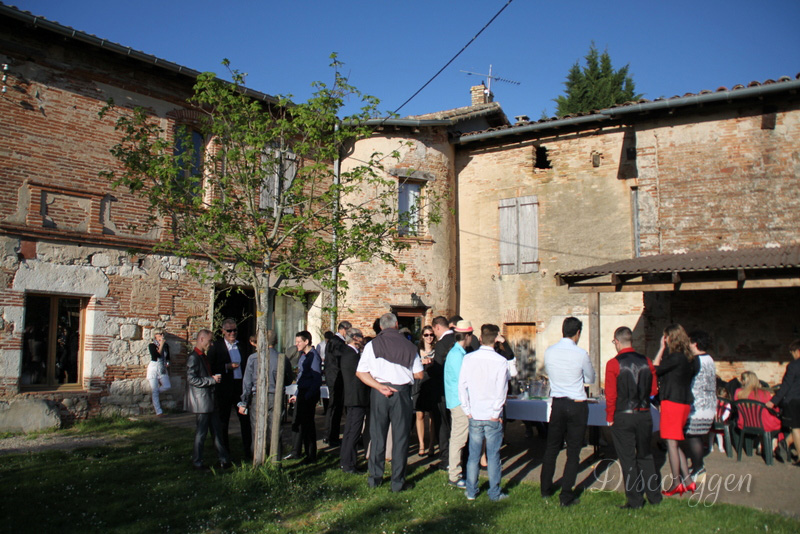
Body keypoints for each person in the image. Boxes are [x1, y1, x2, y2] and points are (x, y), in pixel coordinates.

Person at [356, 313, 424, 492]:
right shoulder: (409, 346)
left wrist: (379, 386)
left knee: (377, 435)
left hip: (379, 392)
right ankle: (397, 482)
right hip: (401, 392)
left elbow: (361, 373)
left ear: (380, 327)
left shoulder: (372, 345)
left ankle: (374, 478)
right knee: (400, 438)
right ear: (396, 325)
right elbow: (419, 374)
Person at [540, 317, 596, 507]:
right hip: (576, 402)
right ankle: (566, 494)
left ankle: (545, 488)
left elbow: (549, 372)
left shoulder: (550, 352)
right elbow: (590, 377)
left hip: (558, 401)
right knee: (573, 451)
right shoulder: (580, 353)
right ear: (578, 333)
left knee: (552, 447)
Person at [604, 326, 662, 509]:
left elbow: (611, 395)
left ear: (617, 342)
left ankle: (635, 500)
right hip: (644, 413)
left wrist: (609, 417)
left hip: (623, 414)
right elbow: (653, 391)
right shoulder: (647, 362)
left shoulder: (613, 364)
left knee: (628, 458)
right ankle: (654, 496)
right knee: (646, 456)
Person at [459, 323, 511, 501]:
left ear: (480, 338)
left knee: (473, 455)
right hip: (491, 414)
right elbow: (501, 390)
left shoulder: (469, 358)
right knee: (493, 455)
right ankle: (494, 492)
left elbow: (462, 386)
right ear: (496, 340)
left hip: (475, 412)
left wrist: (467, 409)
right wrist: (496, 412)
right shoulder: (501, 361)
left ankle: (471, 491)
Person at [654, 324, 697, 496]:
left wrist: (660, 349)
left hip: (673, 402)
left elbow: (654, 368)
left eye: (666, 337)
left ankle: (676, 482)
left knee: (670, 442)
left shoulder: (675, 358)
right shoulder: (688, 358)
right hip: (684, 403)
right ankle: (687, 481)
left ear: (671, 338)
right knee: (675, 441)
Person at [238, 331, 293, 459]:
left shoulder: (253, 358)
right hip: (276, 396)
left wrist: (244, 401)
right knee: (276, 430)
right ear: (276, 342)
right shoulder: (282, 358)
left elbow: (247, 382)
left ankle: (257, 459)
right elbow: (289, 379)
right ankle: (276, 458)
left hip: (258, 396)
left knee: (257, 430)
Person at [186, 329, 231, 470]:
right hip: (202, 402)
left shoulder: (203, 357)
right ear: (201, 339)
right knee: (201, 433)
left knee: (217, 431)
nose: (211, 344)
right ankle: (197, 462)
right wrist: (211, 380)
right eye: (209, 341)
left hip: (210, 401)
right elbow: (191, 378)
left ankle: (224, 459)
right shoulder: (194, 357)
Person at [208, 318, 252, 459]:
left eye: (234, 330)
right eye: (229, 331)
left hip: (240, 387)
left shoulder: (242, 346)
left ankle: (248, 450)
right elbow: (211, 366)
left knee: (245, 419)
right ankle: (224, 453)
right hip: (224, 388)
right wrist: (226, 367)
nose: (232, 333)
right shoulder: (217, 346)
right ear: (223, 332)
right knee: (223, 421)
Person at [683, 330, 717, 483]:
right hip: (709, 404)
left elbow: (686, 378)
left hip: (697, 405)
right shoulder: (710, 359)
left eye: (690, 342)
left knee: (692, 435)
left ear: (695, 344)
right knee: (697, 435)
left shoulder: (695, 361)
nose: (689, 345)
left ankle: (699, 468)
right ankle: (696, 465)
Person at [443, 320, 474, 489]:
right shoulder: (458, 355)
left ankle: (455, 471)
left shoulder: (457, 353)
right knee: (458, 438)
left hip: (457, 400)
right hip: (459, 402)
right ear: (467, 336)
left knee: (458, 437)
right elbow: (463, 382)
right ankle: (454, 474)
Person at [284, 331, 322, 463]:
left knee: (308, 424)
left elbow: (316, 379)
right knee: (298, 422)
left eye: (299, 342)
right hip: (302, 392)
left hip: (308, 394)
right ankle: (296, 451)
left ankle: (311, 454)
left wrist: (307, 396)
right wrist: (296, 395)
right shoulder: (303, 356)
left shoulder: (313, 356)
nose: (296, 344)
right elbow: (301, 377)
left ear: (306, 342)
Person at [340, 327, 369, 473]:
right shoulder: (352, 355)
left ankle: (346, 461)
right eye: (361, 336)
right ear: (355, 338)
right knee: (354, 432)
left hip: (353, 397)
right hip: (356, 397)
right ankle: (349, 464)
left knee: (350, 430)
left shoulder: (350, 353)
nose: (363, 339)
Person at [767, 340, 800, 464]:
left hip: (793, 400)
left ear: (797, 351)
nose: (792, 355)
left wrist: (773, 401)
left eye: (792, 352)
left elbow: (786, 386)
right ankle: (784, 444)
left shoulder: (793, 366)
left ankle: (789, 447)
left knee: (796, 428)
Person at [429, 315, 455, 470]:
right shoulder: (459, 340)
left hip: (443, 392)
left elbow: (439, 370)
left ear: (437, 327)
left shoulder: (441, 345)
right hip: (457, 391)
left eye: (433, 331)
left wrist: (429, 368)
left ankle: (445, 459)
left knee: (443, 426)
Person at [324, 321, 351, 446]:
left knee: (333, 406)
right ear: (343, 329)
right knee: (335, 406)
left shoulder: (331, 341)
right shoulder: (338, 343)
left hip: (332, 376)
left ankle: (329, 434)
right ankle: (332, 436)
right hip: (336, 377)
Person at [413, 325, 436, 455]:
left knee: (432, 415)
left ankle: (432, 444)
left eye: (431, 335)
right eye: (426, 335)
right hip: (420, 383)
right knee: (420, 414)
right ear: (422, 336)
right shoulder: (417, 350)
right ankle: (421, 444)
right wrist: (421, 362)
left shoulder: (437, 350)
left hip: (432, 383)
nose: (429, 337)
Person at [147, 329, 171, 416]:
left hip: (162, 368)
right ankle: (159, 411)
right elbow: (156, 355)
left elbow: (168, 356)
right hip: (153, 368)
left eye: (162, 334)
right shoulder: (152, 345)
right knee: (154, 390)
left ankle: (155, 393)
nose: (161, 335)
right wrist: (161, 345)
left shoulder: (166, 345)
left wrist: (168, 362)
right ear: (155, 336)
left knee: (167, 386)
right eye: (159, 334)